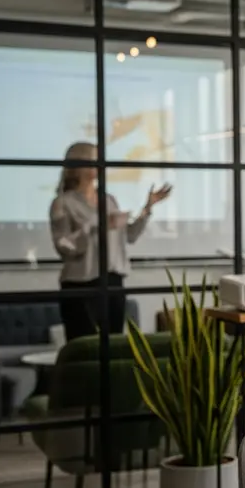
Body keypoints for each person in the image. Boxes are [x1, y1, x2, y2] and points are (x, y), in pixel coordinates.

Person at [48, 142, 172, 341]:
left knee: (113, 344)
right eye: (93, 160)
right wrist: (94, 226)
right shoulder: (62, 203)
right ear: (78, 165)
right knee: (84, 348)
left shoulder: (109, 200)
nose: (99, 164)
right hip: (80, 284)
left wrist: (147, 208)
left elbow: (129, 236)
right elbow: (63, 246)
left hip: (113, 281)